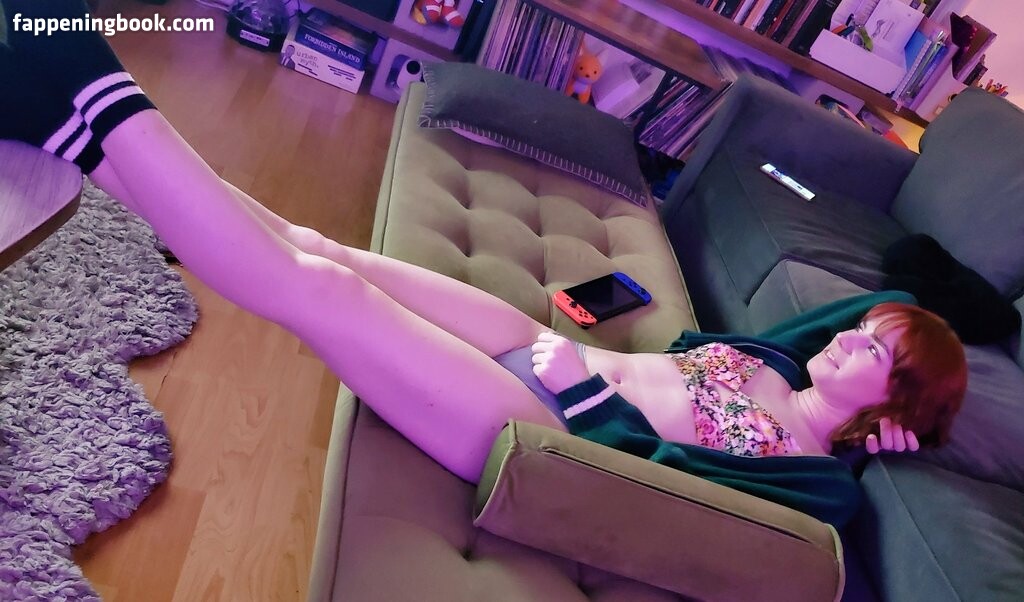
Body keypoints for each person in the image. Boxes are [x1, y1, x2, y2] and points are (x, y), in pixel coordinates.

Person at [0, 1, 968, 488]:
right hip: (541, 342)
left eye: (872, 353)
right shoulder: (776, 368)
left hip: (542, 422)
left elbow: (665, 480)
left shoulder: (812, 473)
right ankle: (64, 127)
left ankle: (84, 79)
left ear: (897, 402)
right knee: (320, 244)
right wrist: (899, 326)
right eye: (863, 332)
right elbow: (847, 315)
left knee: (324, 292)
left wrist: (874, 447)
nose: (848, 338)